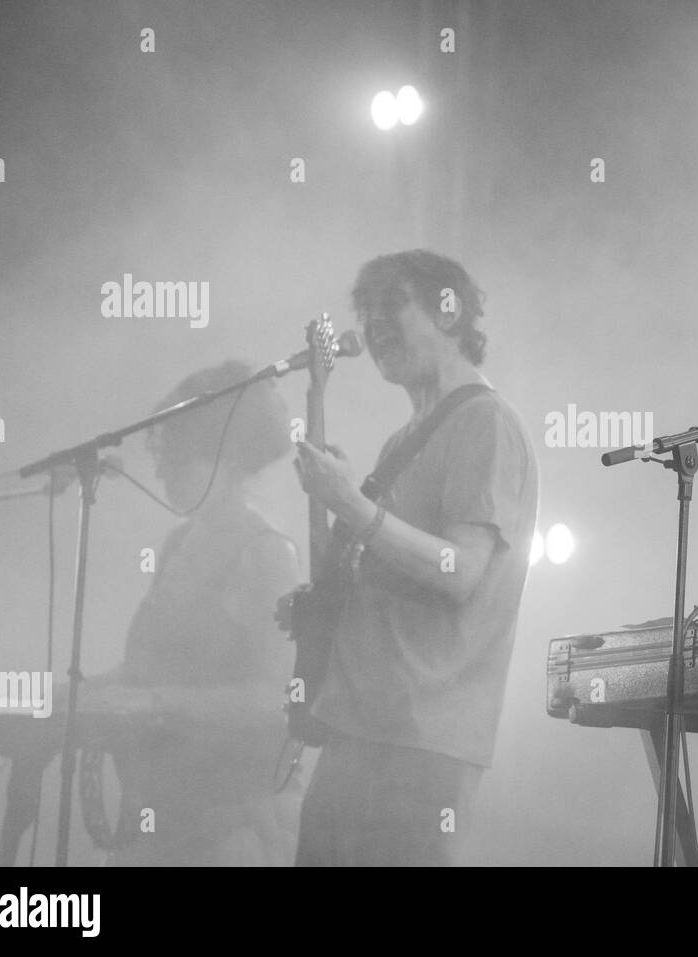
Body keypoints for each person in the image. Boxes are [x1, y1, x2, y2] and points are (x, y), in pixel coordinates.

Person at [292, 250, 538, 866]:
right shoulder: (402, 441)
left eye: (390, 306)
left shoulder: (486, 422)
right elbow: (343, 561)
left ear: (449, 311)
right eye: (365, 312)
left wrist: (351, 501)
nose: (373, 325)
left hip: (422, 739)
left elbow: (462, 572)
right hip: (360, 727)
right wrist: (315, 400)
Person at [89, 360, 303, 865]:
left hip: (235, 826)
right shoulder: (176, 544)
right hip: (162, 813)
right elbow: (150, 670)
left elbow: (278, 698)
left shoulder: (268, 553)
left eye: (176, 455)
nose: (160, 470)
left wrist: (153, 701)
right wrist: (81, 693)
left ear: (223, 458)